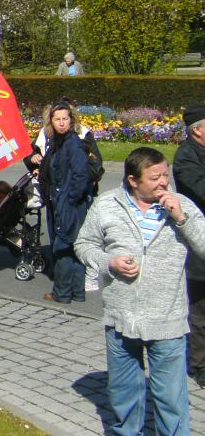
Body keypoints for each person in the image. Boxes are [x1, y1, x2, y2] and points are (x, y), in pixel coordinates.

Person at [75, 147, 205, 436]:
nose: (163, 182)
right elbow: (83, 245)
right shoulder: (107, 205)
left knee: (171, 400)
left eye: (165, 175)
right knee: (124, 396)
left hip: (167, 319)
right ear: (133, 180)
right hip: (121, 316)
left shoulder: (180, 204)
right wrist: (109, 263)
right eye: (155, 177)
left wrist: (181, 218)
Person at [39, 101, 92, 304]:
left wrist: (69, 199)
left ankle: (62, 293)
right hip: (61, 200)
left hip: (68, 203)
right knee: (74, 246)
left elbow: (80, 176)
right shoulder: (57, 143)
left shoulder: (73, 144)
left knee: (63, 247)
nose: (61, 123)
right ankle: (77, 292)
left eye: (65, 119)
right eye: (57, 119)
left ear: (71, 120)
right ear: (51, 122)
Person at [172, 104, 205, 389]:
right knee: (201, 309)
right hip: (199, 243)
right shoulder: (185, 157)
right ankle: (200, 365)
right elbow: (200, 189)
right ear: (198, 130)